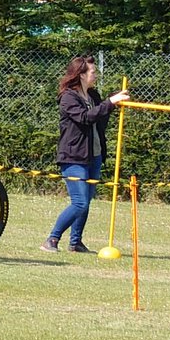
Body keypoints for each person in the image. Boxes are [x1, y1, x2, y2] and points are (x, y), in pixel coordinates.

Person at [40, 55, 129, 253]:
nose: (95, 75)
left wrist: (115, 103)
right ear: (80, 74)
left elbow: (99, 115)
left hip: (94, 156)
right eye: (92, 72)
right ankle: (51, 239)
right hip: (73, 157)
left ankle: (76, 242)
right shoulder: (68, 97)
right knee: (79, 202)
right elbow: (84, 117)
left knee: (86, 202)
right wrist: (110, 102)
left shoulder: (93, 96)